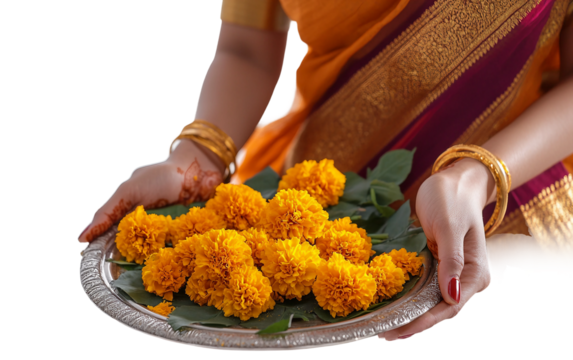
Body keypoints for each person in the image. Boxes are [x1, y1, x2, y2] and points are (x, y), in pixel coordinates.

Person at [77, 0, 573, 342]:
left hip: (508, 217)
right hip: (311, 211)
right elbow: (245, 48)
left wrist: (472, 175)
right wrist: (195, 160)